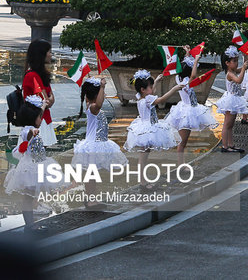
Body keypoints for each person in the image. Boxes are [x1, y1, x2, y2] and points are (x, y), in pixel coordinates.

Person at [4, 96, 65, 232]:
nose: (41, 119)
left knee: (31, 197)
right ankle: (29, 225)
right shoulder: (27, 130)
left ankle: (31, 223)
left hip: (37, 165)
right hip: (30, 169)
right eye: (39, 117)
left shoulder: (33, 123)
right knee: (28, 197)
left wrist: (43, 106)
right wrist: (33, 131)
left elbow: (39, 115)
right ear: (32, 118)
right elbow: (28, 133)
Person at [72, 77, 127, 209]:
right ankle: (90, 200)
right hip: (93, 146)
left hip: (97, 144)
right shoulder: (93, 107)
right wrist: (102, 87)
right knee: (91, 175)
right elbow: (99, 104)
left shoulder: (91, 106)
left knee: (93, 175)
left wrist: (99, 89)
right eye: (100, 93)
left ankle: (92, 198)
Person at [124, 70, 183, 188]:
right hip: (148, 130)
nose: (152, 89)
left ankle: (143, 180)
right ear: (143, 89)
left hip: (145, 128)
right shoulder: (147, 99)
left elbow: (151, 93)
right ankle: (143, 182)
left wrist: (155, 82)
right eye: (150, 87)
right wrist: (174, 89)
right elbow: (161, 99)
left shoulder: (140, 97)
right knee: (143, 157)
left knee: (144, 156)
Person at [165, 47, 217, 164]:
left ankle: (182, 163)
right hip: (186, 113)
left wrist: (187, 53)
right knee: (182, 142)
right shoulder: (186, 83)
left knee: (183, 141)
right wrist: (196, 61)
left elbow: (187, 69)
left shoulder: (178, 78)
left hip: (186, 109)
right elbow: (193, 75)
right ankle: (180, 164)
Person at [22, 39, 57, 146]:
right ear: (42, 54)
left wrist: (49, 100)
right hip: (37, 122)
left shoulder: (41, 74)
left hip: (43, 119)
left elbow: (50, 99)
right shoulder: (32, 76)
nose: (51, 55)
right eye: (49, 52)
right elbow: (47, 101)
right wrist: (49, 100)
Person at [215, 46, 248, 153]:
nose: (236, 63)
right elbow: (239, 80)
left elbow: (243, 69)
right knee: (227, 124)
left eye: (237, 60)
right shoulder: (230, 74)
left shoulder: (233, 71)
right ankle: (225, 146)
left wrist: (245, 59)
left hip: (234, 99)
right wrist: (243, 69)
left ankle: (231, 144)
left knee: (231, 124)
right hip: (231, 100)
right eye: (234, 61)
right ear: (227, 63)